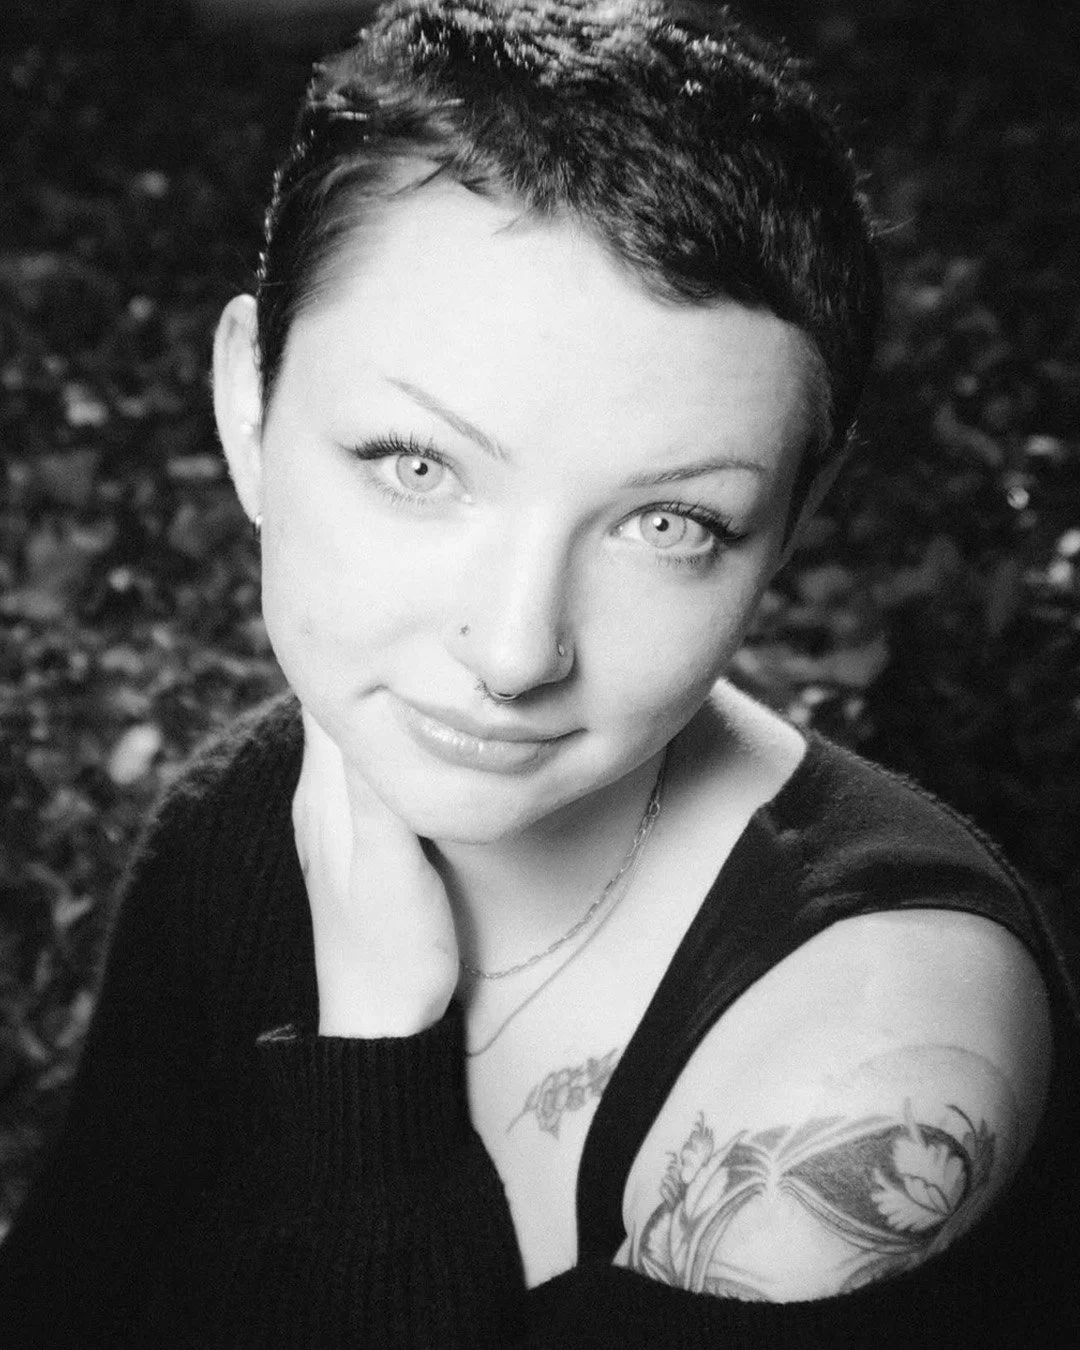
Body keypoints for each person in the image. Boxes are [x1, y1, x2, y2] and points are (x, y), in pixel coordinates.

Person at [1, 1, 1077, 1344]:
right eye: (417, 465)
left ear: (792, 519)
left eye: (668, 522)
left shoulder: (881, 1071)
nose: (515, 652)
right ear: (248, 409)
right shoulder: (231, 829)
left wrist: (379, 1060)